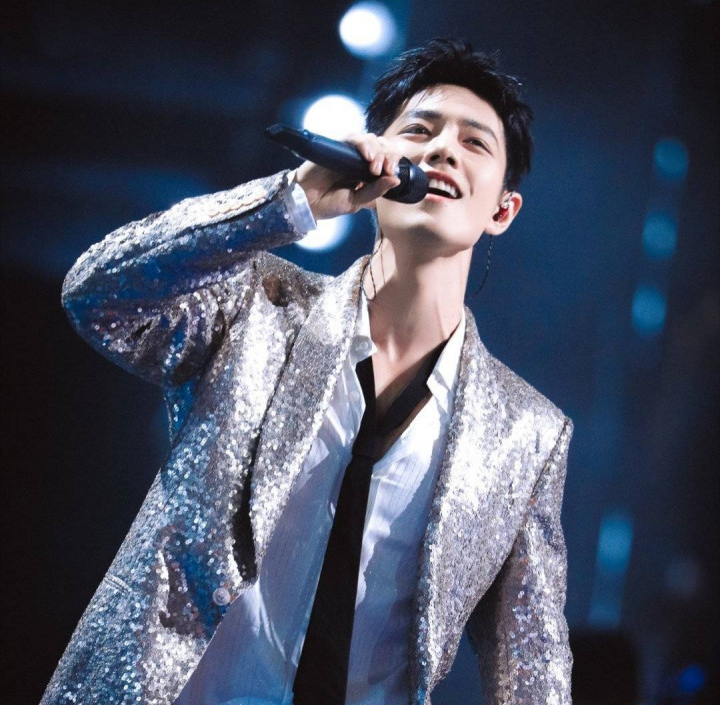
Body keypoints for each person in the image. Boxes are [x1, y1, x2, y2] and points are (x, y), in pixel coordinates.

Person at [41, 38, 573, 705]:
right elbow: (98, 295)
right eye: (419, 130)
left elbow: (533, 669)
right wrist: (290, 201)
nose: (442, 150)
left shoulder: (528, 434)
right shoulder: (257, 306)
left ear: (502, 210)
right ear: (374, 158)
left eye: (474, 143)